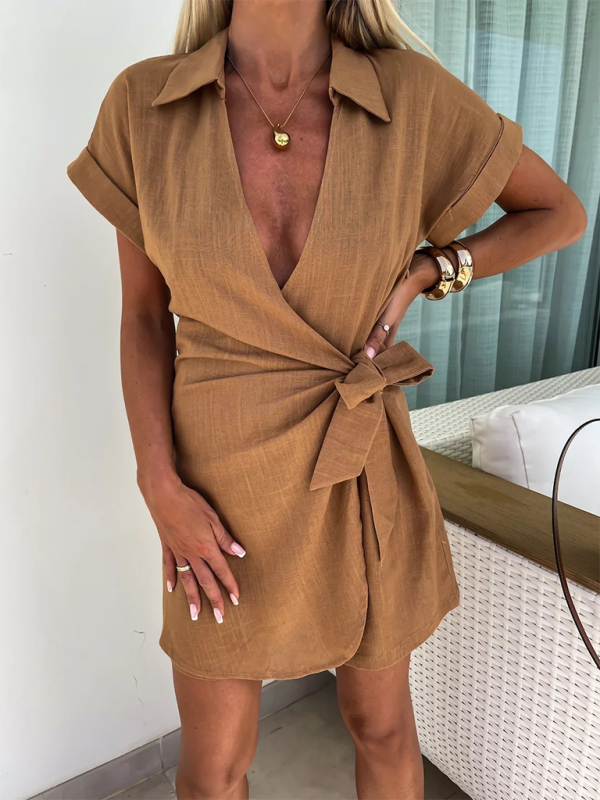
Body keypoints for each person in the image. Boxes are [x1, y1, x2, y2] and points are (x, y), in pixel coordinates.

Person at [66, 1, 587, 798]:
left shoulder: (408, 96)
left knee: (382, 727)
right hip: (216, 487)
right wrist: (157, 484)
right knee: (212, 770)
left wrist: (431, 269)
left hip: (362, 468)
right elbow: (143, 315)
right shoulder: (145, 104)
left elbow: (559, 213)